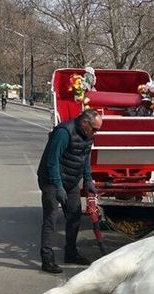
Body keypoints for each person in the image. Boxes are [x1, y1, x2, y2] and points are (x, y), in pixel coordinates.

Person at [36, 108, 102, 273]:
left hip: (71, 181)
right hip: (51, 180)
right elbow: (52, 161)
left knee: (74, 216)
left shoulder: (88, 135)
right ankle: (47, 259)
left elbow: (84, 158)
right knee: (51, 219)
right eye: (94, 129)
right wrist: (58, 186)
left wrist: (88, 180)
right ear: (85, 123)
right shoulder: (64, 132)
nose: (96, 133)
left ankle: (71, 253)